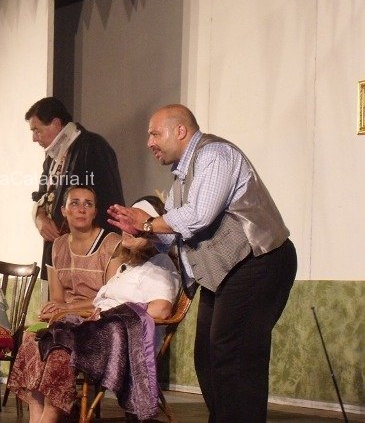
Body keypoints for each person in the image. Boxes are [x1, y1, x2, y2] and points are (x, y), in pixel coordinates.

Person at [107, 104, 297, 423]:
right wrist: (142, 234)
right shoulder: (181, 180)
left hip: (259, 261)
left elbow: (198, 216)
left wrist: (149, 223)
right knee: (207, 356)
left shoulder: (214, 155)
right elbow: (173, 236)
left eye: (155, 134)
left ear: (180, 131)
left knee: (233, 354)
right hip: (225, 274)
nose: (149, 142)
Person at [7, 185, 123, 423]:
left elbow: (110, 299)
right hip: (65, 321)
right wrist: (53, 309)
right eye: (75, 203)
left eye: (88, 204)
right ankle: (36, 417)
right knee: (32, 339)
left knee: (58, 351)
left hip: (98, 323)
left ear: (95, 212)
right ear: (64, 211)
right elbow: (59, 299)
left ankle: (51, 415)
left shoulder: (112, 243)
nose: (81, 209)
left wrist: (67, 308)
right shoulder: (57, 246)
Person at [26, 97, 124, 280]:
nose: (34, 138)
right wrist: (40, 217)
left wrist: (103, 256)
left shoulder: (92, 146)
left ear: (56, 124)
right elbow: (41, 196)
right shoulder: (51, 157)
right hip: (58, 251)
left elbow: (110, 204)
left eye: (37, 130)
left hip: (89, 257)